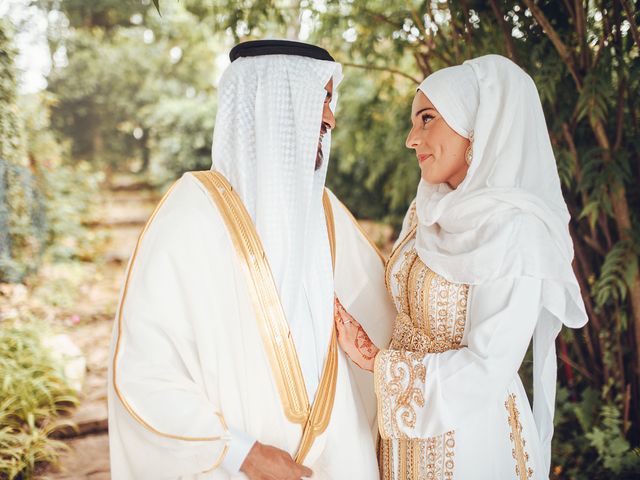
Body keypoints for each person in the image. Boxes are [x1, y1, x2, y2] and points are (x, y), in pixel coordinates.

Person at [107, 40, 395, 480]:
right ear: (273, 106)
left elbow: (390, 320)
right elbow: (143, 373)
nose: (330, 119)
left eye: (330, 103)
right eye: (319, 101)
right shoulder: (190, 216)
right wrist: (244, 454)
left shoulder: (327, 214)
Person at [335, 54, 588, 480]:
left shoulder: (518, 231)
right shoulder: (426, 209)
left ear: (476, 127)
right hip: (401, 437)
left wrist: (381, 365)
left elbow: (490, 365)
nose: (411, 139)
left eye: (427, 119)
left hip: (470, 445)